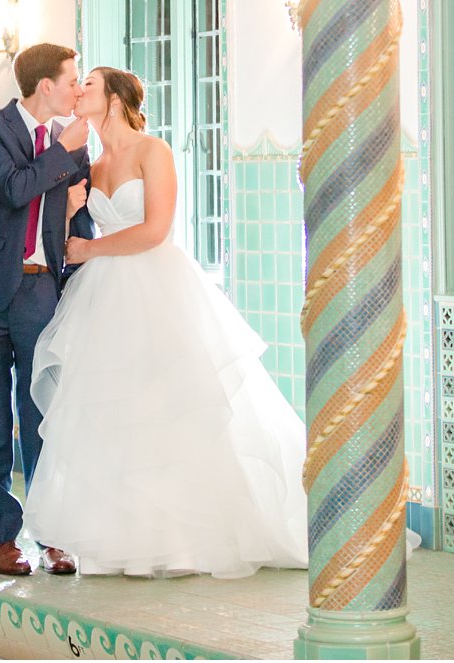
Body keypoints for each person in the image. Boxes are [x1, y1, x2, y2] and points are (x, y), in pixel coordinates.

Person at [22, 67, 309, 579]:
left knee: (164, 409)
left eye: (88, 84)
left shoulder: (154, 152)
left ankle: (180, 539)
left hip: (156, 287)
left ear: (112, 98)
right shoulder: (89, 161)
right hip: (101, 298)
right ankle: (121, 540)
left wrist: (90, 248)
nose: (78, 90)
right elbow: (63, 234)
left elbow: (155, 230)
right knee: (114, 416)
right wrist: (68, 214)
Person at [0, 43, 94, 577]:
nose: (79, 89)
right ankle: (3, 538)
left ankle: (52, 536)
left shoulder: (74, 145)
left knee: (43, 418)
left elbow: (78, 222)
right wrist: (62, 153)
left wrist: (80, 285)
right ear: (45, 86)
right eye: (72, 80)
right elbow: (13, 190)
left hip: (40, 292)